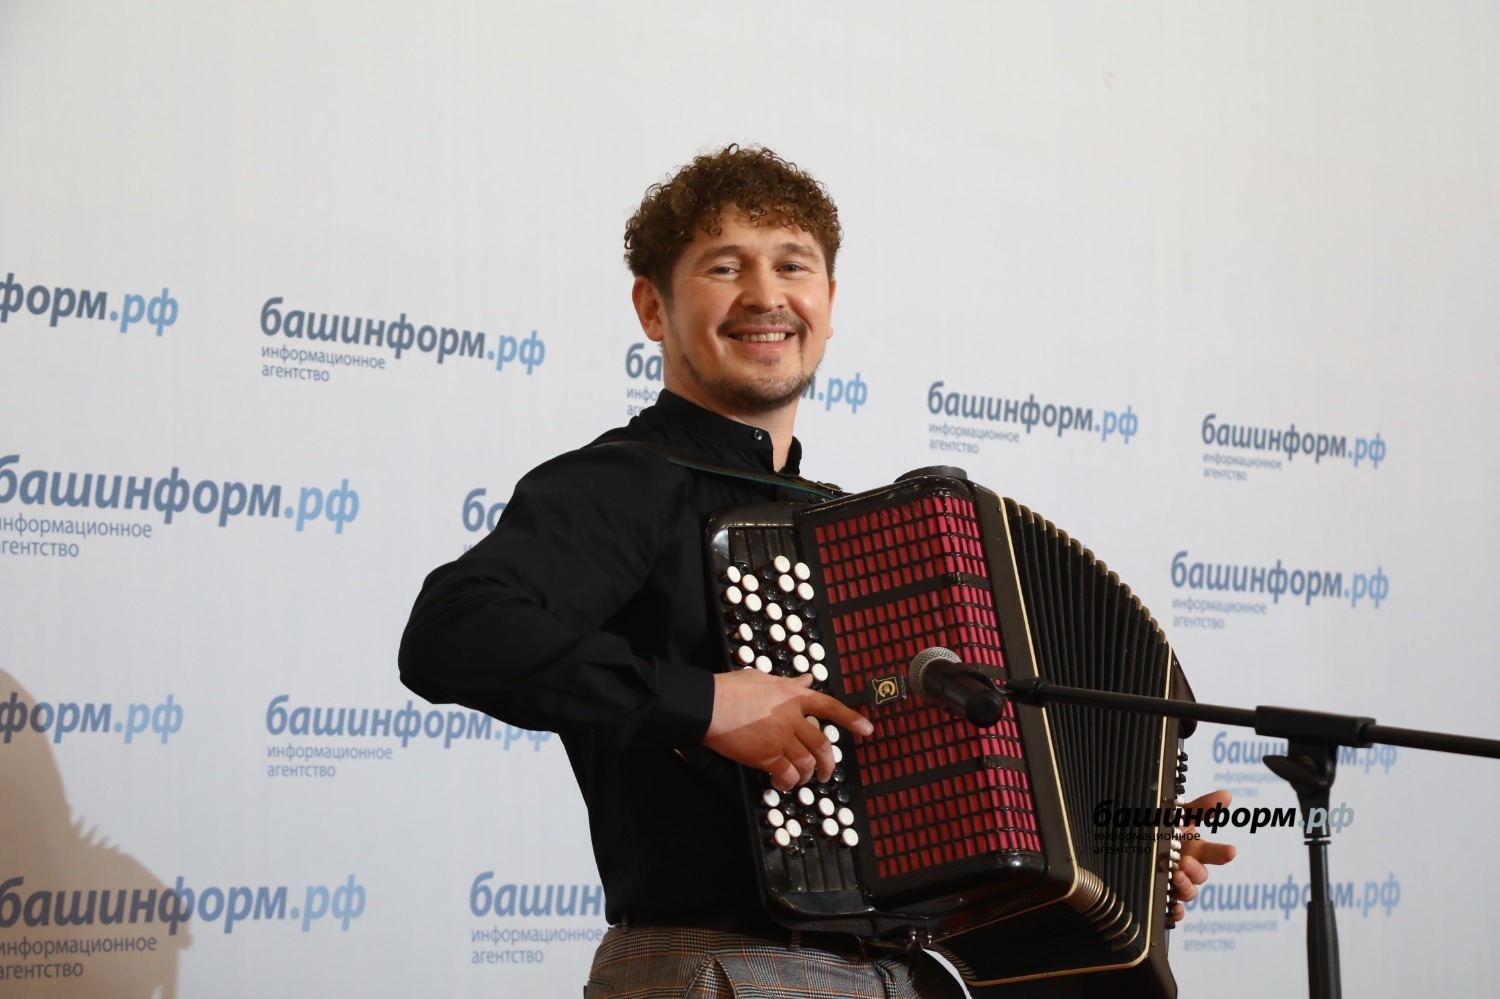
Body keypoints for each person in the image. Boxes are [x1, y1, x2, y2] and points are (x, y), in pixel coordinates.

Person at [399, 144, 1232, 998]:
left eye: (792, 266)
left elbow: (931, 800)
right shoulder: (624, 481)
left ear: (828, 304)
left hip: (895, 976)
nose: (766, 295)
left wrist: (1120, 853)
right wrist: (707, 702)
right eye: (726, 266)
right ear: (652, 307)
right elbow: (451, 631)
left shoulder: (840, 529)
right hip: (718, 967)